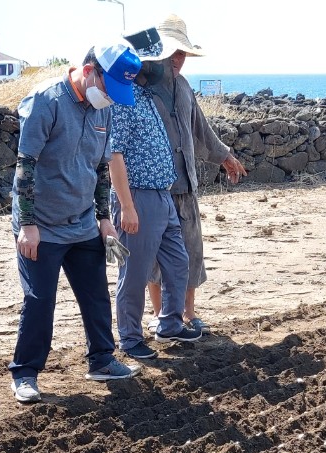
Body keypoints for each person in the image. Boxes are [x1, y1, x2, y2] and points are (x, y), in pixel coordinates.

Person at [8, 43, 142, 403]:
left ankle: (101, 360)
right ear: (88, 72)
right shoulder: (46, 101)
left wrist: (103, 219)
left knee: (95, 294)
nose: (110, 98)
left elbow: (100, 168)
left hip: (83, 221)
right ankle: (25, 373)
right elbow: (26, 164)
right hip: (43, 226)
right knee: (40, 301)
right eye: (108, 89)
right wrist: (28, 224)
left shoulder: (104, 110)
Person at [141, 14, 248, 331]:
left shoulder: (185, 87)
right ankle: (160, 313)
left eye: (181, 53)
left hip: (185, 184)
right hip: (154, 188)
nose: (177, 59)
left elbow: (201, 129)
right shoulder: (141, 87)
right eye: (172, 52)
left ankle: (187, 312)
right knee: (155, 255)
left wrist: (225, 156)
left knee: (191, 251)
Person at [108, 27, 201, 362]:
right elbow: (114, 155)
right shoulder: (121, 100)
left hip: (162, 195)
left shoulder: (146, 97)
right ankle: (130, 338)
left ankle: (170, 323)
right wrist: (127, 206)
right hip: (137, 197)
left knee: (178, 263)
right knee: (133, 273)